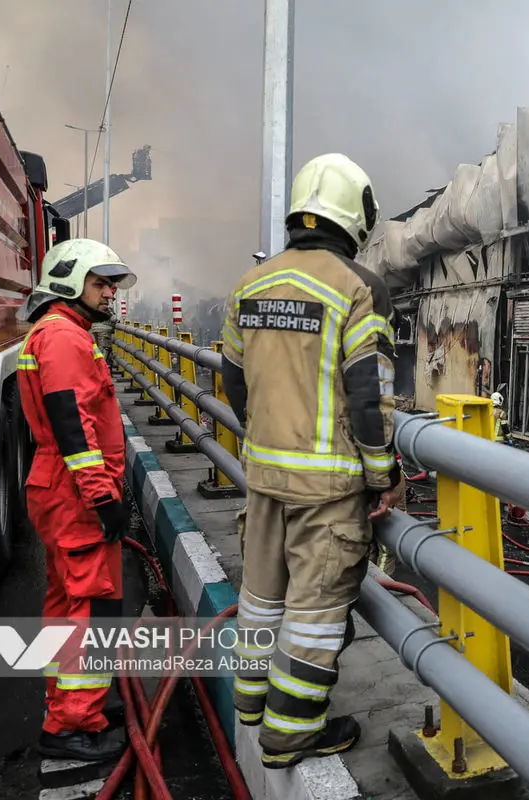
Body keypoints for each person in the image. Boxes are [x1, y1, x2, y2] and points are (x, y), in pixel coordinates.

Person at [220, 152, 404, 769]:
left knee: (261, 599)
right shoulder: (358, 286)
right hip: (327, 493)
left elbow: (235, 380)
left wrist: (265, 440)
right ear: (356, 216)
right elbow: (367, 394)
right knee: (316, 617)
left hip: (264, 476)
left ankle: (250, 710)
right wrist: (384, 476)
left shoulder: (249, 285)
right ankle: (290, 736)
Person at [16, 238, 137, 761]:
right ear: (70, 280)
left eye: (111, 283)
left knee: (66, 604)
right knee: (94, 608)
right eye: (101, 282)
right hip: (76, 497)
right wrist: (104, 498)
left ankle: (67, 705)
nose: (110, 292)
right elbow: (74, 428)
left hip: (59, 491)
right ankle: (72, 724)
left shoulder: (55, 333)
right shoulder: (64, 339)